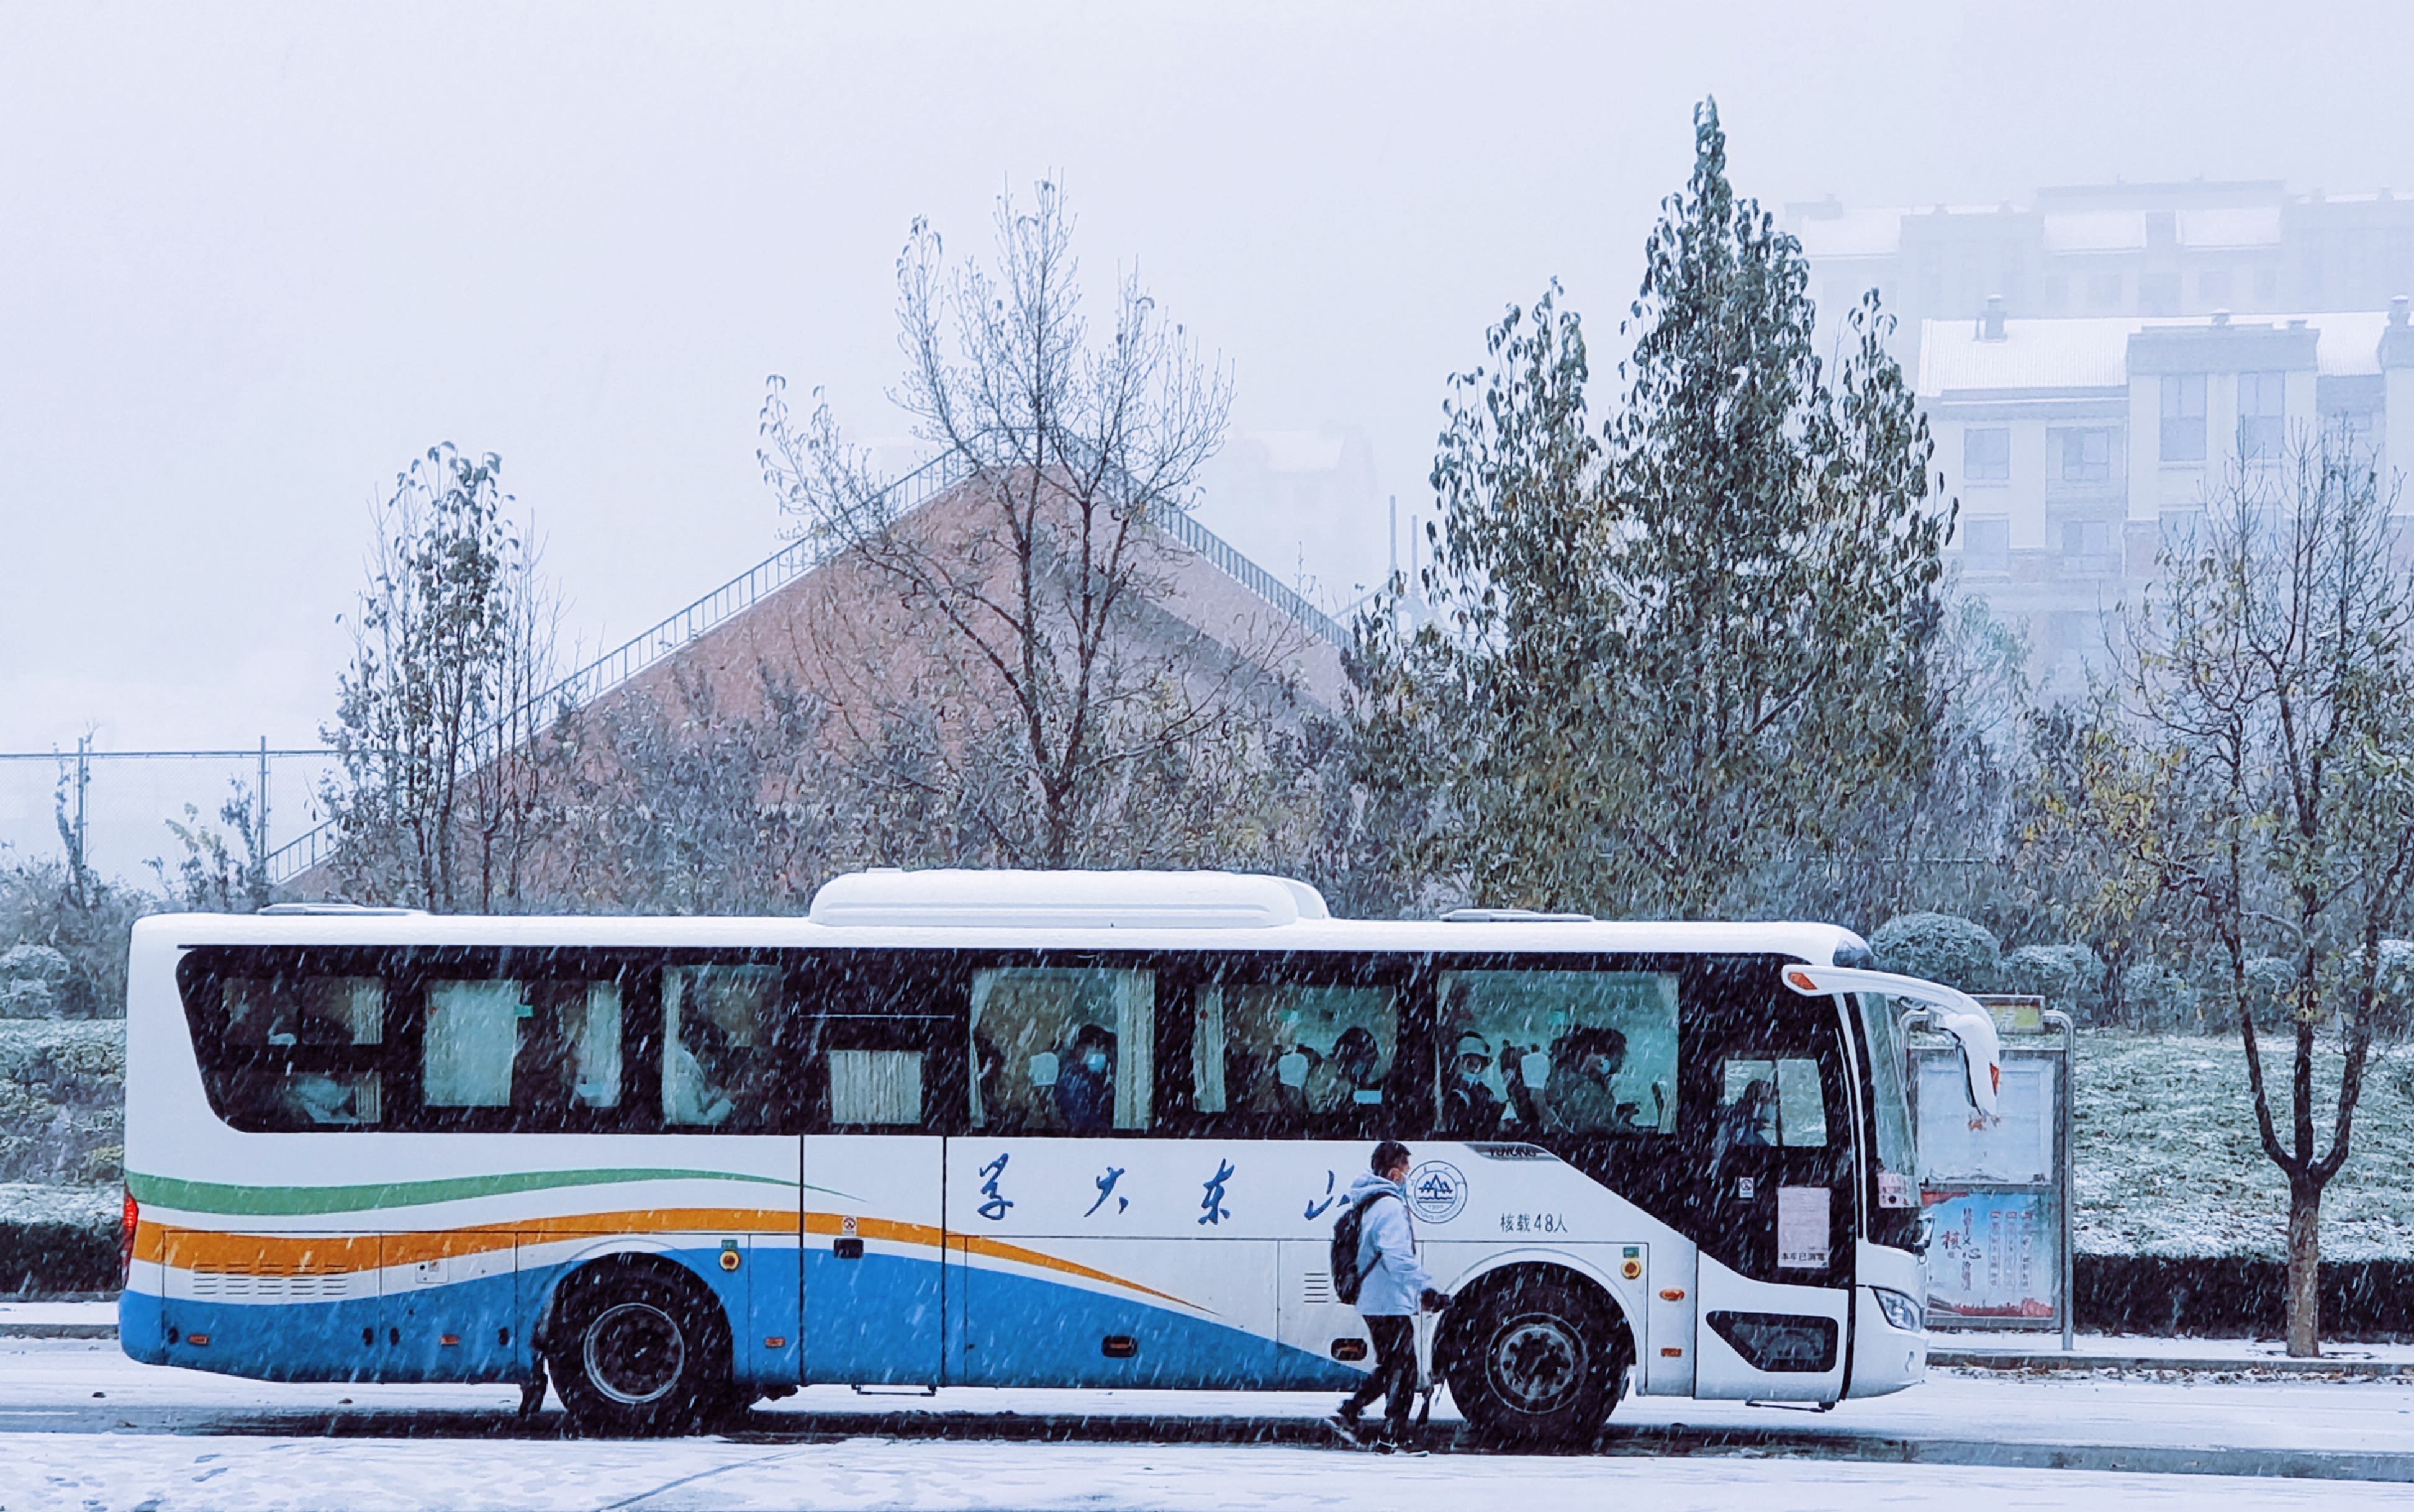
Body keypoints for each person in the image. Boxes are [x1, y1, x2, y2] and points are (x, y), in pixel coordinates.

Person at [1331, 1140, 1449, 1450]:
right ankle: (1392, 1435)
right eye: (1406, 1169)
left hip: (1377, 1299)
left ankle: (1352, 1412)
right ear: (1394, 1173)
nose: (1408, 1176)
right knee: (1404, 1368)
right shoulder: (1389, 1207)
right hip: (1387, 1299)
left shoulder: (1371, 1202)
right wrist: (1425, 1288)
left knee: (1392, 1365)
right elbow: (1397, 1256)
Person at [1439, 1031, 1509, 1136]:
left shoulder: (1483, 1091)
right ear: (1458, 1063)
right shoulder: (1455, 1093)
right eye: (1470, 1064)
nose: (1475, 1070)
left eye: (1480, 1065)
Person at [1054, 1023, 1116, 1133]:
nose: (1104, 1057)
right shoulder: (1075, 1079)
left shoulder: (1090, 1076)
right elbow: (1086, 1118)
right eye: (1102, 1050)